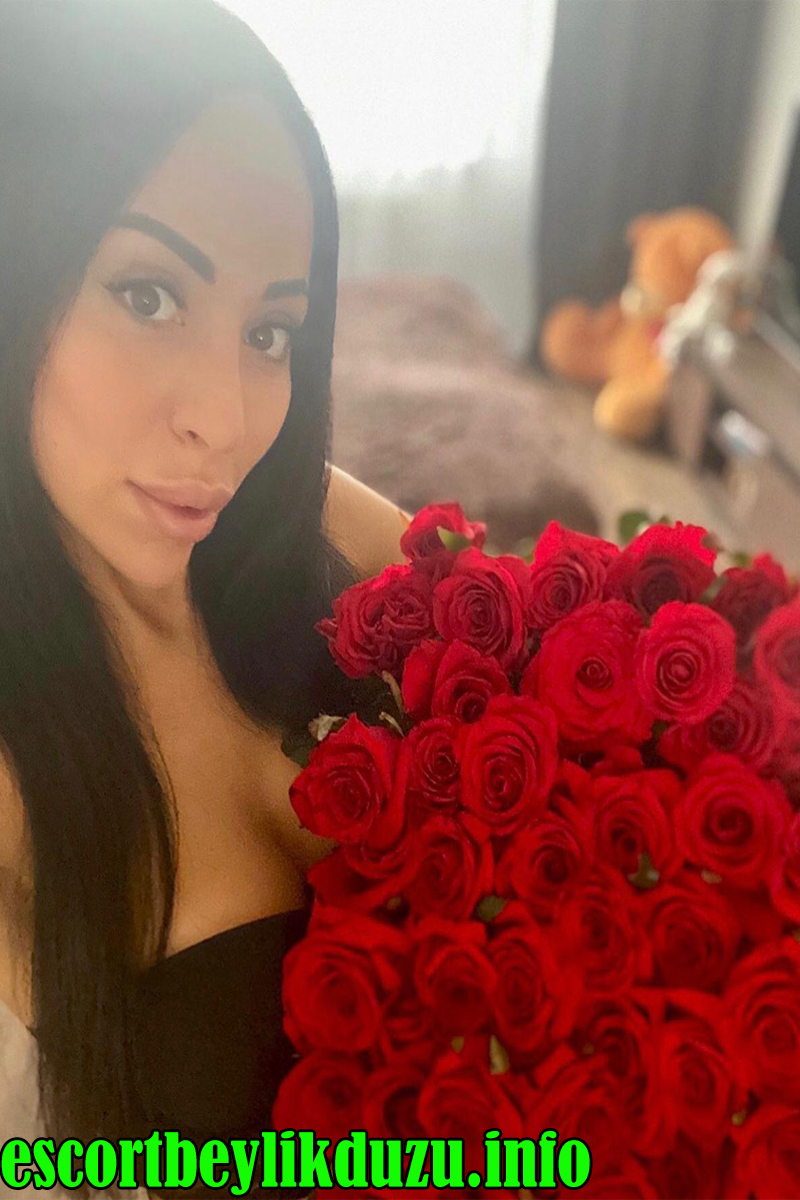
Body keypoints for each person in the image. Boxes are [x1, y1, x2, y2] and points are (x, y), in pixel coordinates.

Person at [0, 2, 407, 1191]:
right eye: (147, 296)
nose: (224, 420)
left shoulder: (298, 508)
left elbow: (586, 664)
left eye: (271, 332)